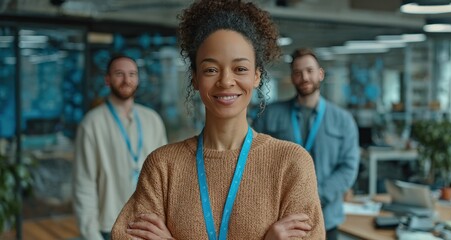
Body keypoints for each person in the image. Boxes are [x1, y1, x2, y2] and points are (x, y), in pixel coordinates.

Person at [111, 1, 325, 239]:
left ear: (257, 75)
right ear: (194, 78)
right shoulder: (163, 167)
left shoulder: (291, 164)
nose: (225, 80)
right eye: (211, 69)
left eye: (240, 69)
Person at [253, 48, 360, 240]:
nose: (304, 77)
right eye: (297, 72)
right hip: (279, 223)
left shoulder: (343, 121)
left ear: (320, 74)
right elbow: (255, 161)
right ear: (292, 77)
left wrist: (313, 196)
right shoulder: (270, 115)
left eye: (310, 71)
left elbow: (348, 168)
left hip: (327, 220)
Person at [73, 55, 168, 240]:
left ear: (138, 79)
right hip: (110, 225)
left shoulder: (152, 120)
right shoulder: (92, 123)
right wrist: (90, 234)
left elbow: (165, 177)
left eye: (132, 74)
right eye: (119, 74)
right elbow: (84, 184)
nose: (127, 80)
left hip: (149, 225)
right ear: (107, 80)